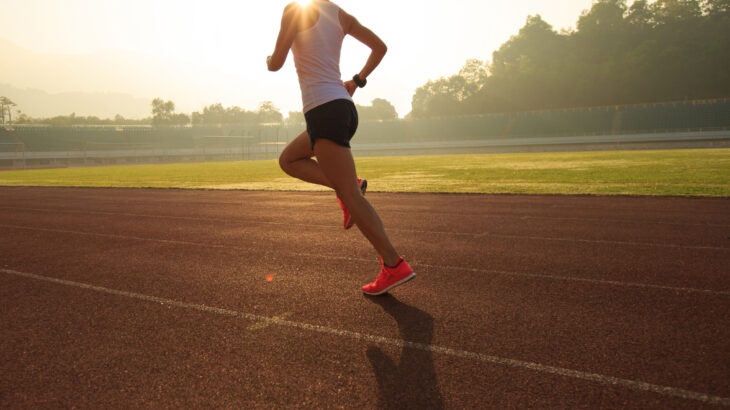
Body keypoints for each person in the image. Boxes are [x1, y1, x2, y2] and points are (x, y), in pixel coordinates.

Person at [267, 0, 414, 295]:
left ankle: (393, 264)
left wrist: (268, 58)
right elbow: (380, 47)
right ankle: (352, 185)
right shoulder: (339, 14)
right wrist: (357, 81)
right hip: (343, 109)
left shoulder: (294, 10)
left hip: (323, 110)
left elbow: (276, 63)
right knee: (289, 159)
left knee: (349, 195)